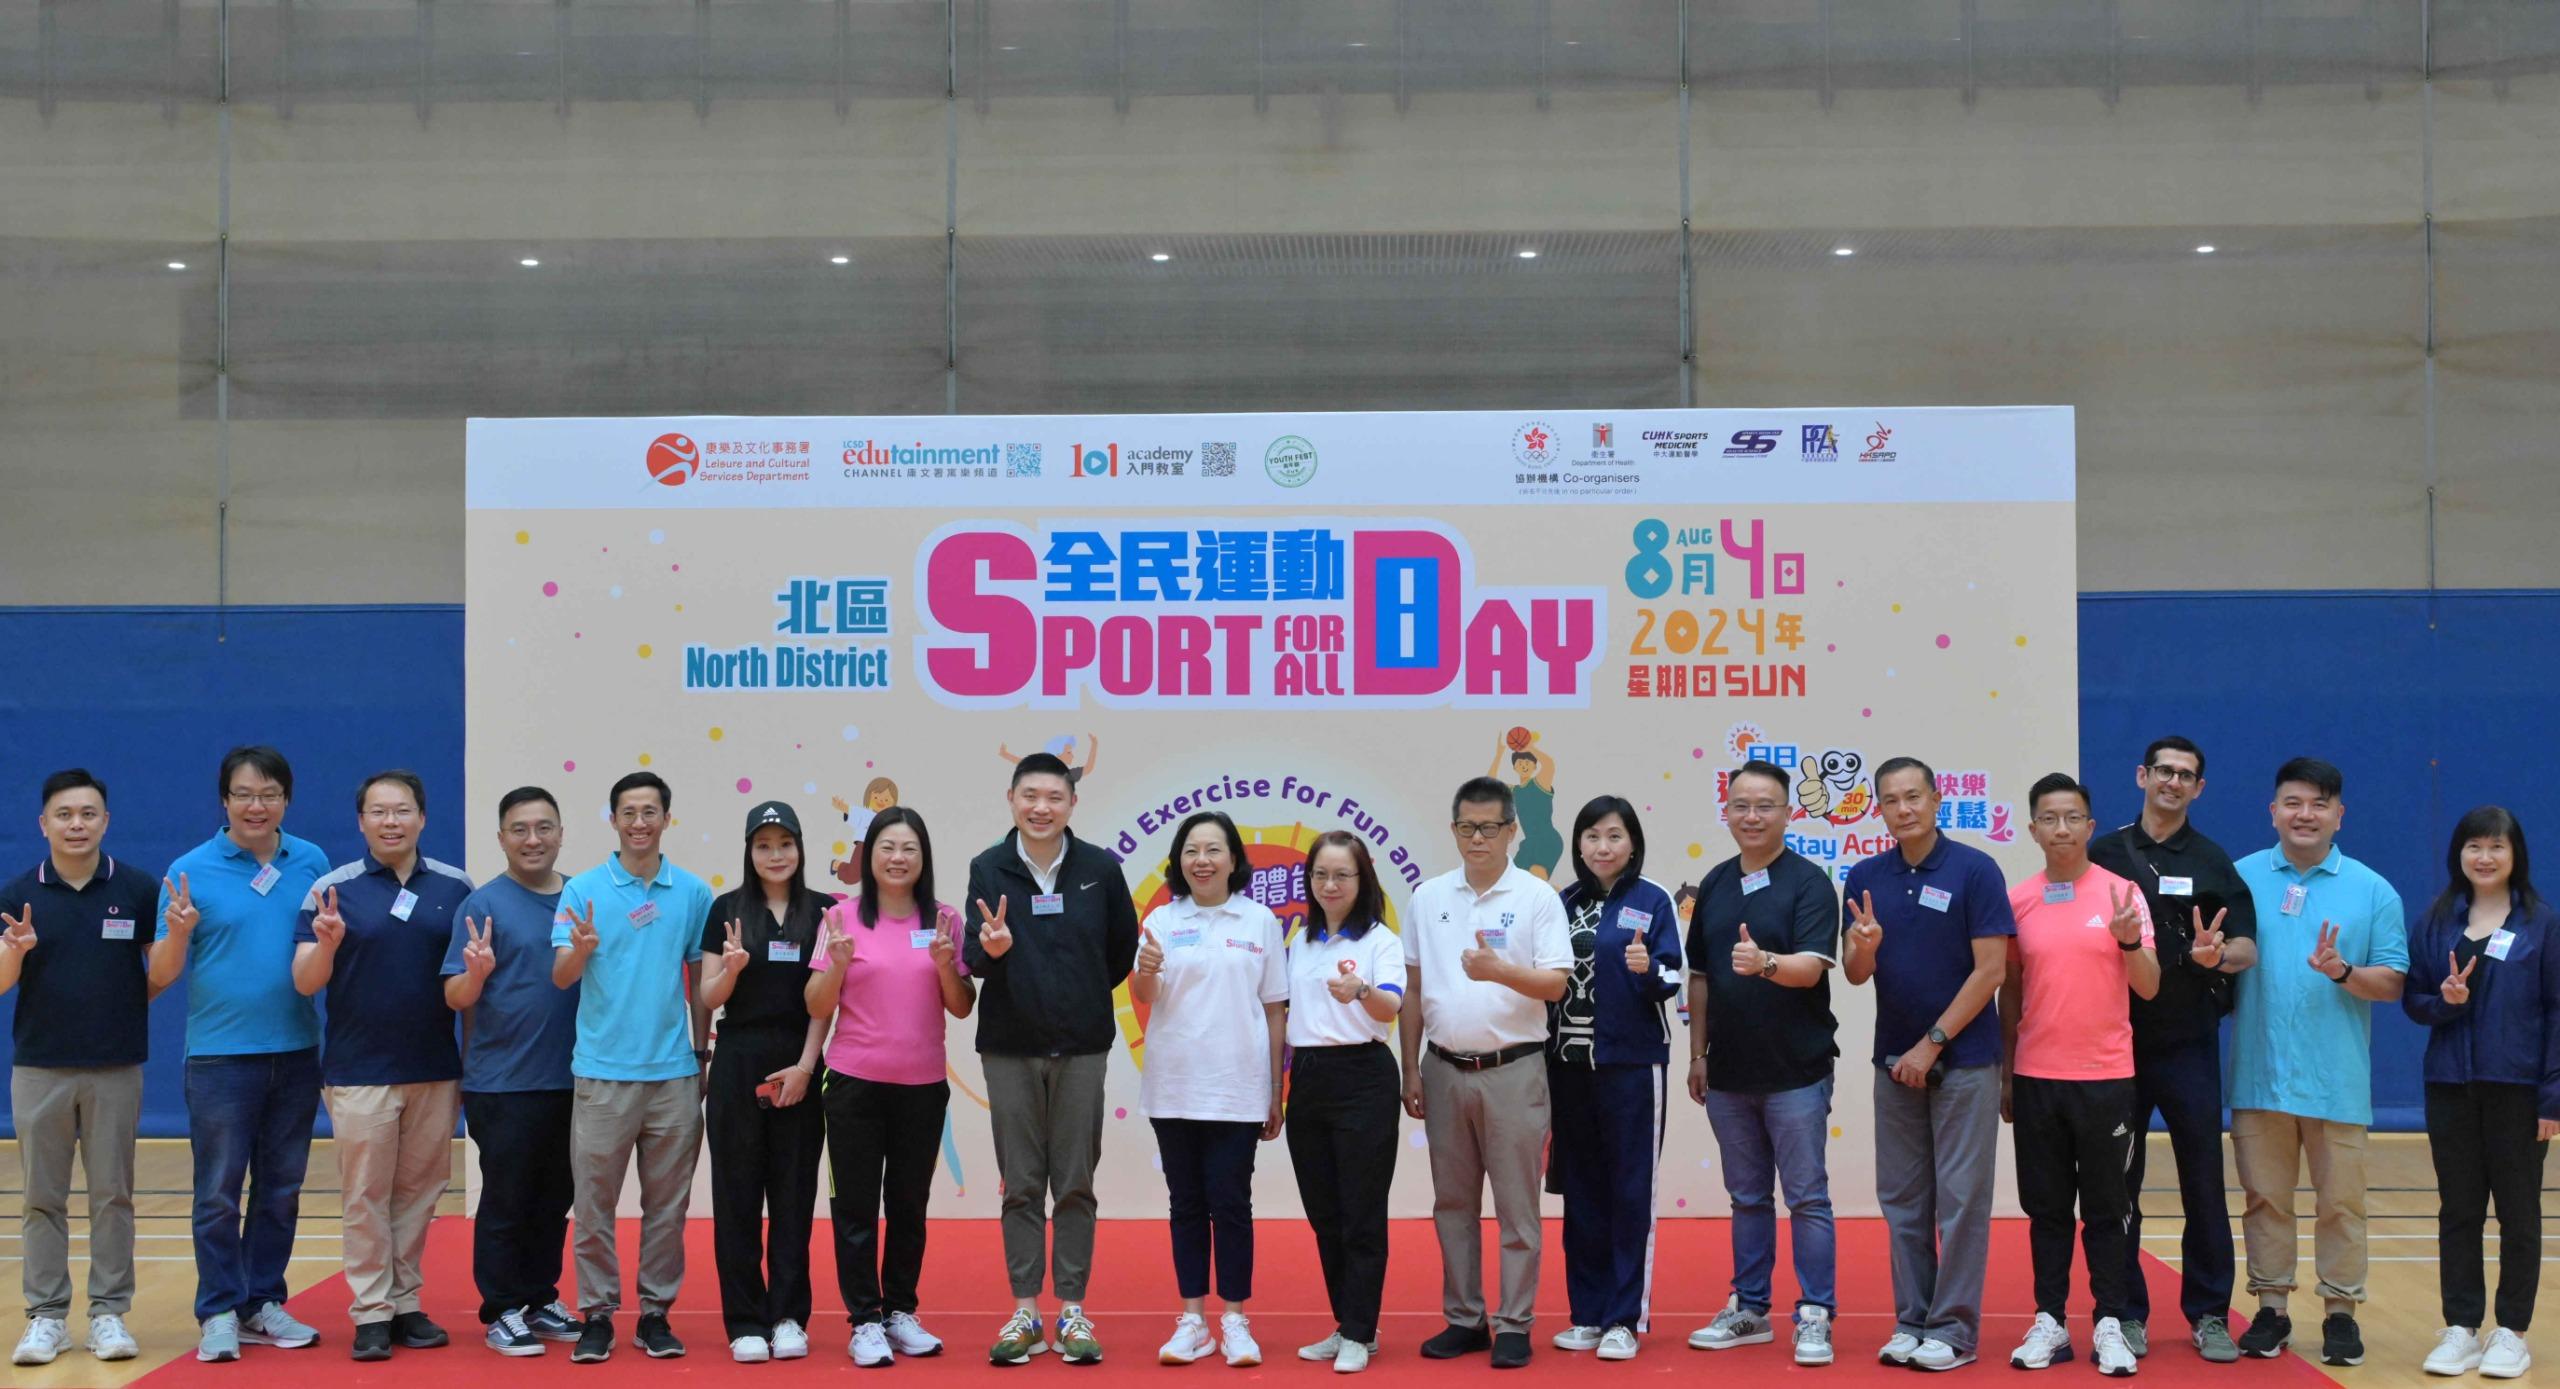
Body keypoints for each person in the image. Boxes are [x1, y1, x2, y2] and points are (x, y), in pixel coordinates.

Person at [2228, 757, 2407, 1367]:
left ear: (2339, 815)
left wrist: (2344, 971)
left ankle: (2340, 1313)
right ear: (2273, 811)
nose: (2305, 815)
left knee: (2341, 1205)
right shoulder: (2240, 877)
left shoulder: (2372, 888)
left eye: (2319, 805)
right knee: (2265, 1200)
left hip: (2337, 1081)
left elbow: (2392, 982)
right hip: (2259, 1075)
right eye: (2293, 803)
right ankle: (2272, 1310)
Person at [962, 751, 1139, 1365]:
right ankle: (1023, 1312)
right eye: (1030, 796)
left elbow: (1120, 953)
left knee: (1075, 1183)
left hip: (1083, 1048)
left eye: (1054, 798)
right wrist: (996, 949)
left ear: (1072, 804)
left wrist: (1078, 1000)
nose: (1041, 808)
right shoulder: (988, 867)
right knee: (1021, 1185)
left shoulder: (1099, 869)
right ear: (1011, 798)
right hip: (1008, 1049)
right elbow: (974, 960)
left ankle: (1072, 1311)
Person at [2086, 736, 2258, 1362]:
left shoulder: (2212, 860)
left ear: (2199, 788)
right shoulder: (2102, 854)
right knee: (2116, 1186)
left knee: (2203, 1183)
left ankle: (2210, 1313)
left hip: (2188, 1045)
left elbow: (2246, 946)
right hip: (2116, 1047)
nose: (2174, 782)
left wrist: (2219, 954)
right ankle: (2124, 1312)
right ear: (2142, 776)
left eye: (2186, 775)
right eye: (2164, 771)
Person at [291, 770, 474, 1360]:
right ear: (361, 821)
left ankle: (405, 1304)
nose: (390, 821)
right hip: (358, 1070)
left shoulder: (455, 886)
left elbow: (467, 978)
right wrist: (327, 943)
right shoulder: (330, 888)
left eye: (401, 811)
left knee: (420, 1193)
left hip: (434, 1067)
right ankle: (370, 1311)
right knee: (366, 1195)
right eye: (378, 811)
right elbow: (303, 982)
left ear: (422, 817)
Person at [156, 745, 330, 1363]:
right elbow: (157, 975)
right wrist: (177, 934)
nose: (257, 806)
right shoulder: (189, 870)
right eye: (244, 794)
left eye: (270, 794)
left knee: (282, 1189)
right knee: (218, 1194)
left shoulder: (311, 862)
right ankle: (219, 1310)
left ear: (286, 799)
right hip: (220, 1060)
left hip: (298, 1051)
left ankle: (263, 1301)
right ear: (224, 800)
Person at [1841, 756, 2014, 1372]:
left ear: (1938, 799)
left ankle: (1954, 1331)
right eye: (1891, 800)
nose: (1904, 809)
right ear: (1880, 810)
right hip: (1893, 1063)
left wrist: (1933, 1040)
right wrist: (1863, 949)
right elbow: (1857, 974)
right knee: (1903, 1198)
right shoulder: (1864, 875)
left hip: (1964, 1061)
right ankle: (1912, 1320)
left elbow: (1991, 970)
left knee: (1962, 1198)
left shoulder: (1975, 869)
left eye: (1914, 796)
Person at [1401, 775, 1571, 1370]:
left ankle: (1515, 1322)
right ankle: (1465, 1319)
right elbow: (1415, 987)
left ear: (1512, 831)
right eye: (1467, 827)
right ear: (1453, 830)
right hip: (1443, 1069)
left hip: (1514, 1070)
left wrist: (1499, 971)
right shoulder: (1428, 897)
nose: (1479, 838)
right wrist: (1411, 1069)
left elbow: (1555, 983)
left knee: (1517, 1206)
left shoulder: (1535, 898)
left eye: (1491, 827)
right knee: (1452, 1204)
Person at [1997, 774, 2159, 1377]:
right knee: (2046, 1209)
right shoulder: (2018, 901)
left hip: (2107, 1079)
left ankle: (2111, 1322)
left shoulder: (2123, 895)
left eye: (2073, 818)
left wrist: (2127, 944)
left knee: (2107, 1206)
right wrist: (2010, 1072)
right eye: (2049, 818)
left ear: (2090, 827)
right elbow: (2008, 992)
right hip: (2037, 1077)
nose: (2061, 829)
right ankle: (2050, 1320)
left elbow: (2149, 985)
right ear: (2033, 828)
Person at [1683, 759, 1843, 1366]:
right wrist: (1698, 1054)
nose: (1752, 816)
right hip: (1728, 1073)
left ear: (1788, 813)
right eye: (1741, 806)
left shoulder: (1808, 881)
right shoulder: (1717, 882)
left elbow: (1812, 969)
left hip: (1797, 1070)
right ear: (1727, 812)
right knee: (1747, 1198)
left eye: (1765, 806)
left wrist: (1766, 963)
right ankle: (1750, 1308)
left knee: (1806, 1197)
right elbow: (1699, 977)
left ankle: (1815, 1314)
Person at [550, 770, 714, 1364]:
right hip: (601, 1073)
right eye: (628, 812)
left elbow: (698, 980)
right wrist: (583, 950)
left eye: (650, 811)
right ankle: (596, 1314)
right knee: (593, 1206)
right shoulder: (583, 890)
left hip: (673, 1076)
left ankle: (654, 1314)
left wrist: (700, 1056)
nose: (639, 822)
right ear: (612, 820)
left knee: (667, 1208)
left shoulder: (692, 893)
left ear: (666, 818)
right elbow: (561, 975)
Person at [807, 805, 974, 1367]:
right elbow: (816, 1005)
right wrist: (835, 965)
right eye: (887, 848)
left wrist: (948, 965)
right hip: (853, 1082)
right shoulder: (840, 918)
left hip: (923, 1087)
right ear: (870, 856)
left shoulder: (946, 918)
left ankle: (900, 1311)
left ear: (923, 857)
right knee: (854, 1205)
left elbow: (961, 1007)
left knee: (909, 1205)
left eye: (909, 849)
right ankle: (864, 1320)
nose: (898, 858)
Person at [5, 770, 158, 1367]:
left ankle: (108, 1314)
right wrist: (14, 949)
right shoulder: (17, 892)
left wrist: (182, 932)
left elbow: (160, 971)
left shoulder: (139, 889)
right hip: (39, 1067)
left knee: (112, 1195)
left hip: (115, 1067)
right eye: (64, 814)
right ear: (44, 824)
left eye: (88, 813)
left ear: (105, 822)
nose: (77, 824)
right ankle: (45, 1318)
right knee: (41, 1197)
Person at [2403, 806, 2556, 1380]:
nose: (2484, 857)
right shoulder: (2436, 922)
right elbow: (2415, 1002)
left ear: (2515, 855)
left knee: (2519, 1214)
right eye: (2473, 847)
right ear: (2458, 855)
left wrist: (2552, 1096)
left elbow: (2558, 1011)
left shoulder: (2542, 924)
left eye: (2496, 847)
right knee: (2458, 1211)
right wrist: (2446, 1001)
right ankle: (2462, 1327)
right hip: (2450, 1087)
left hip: (2519, 1091)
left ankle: (2511, 1332)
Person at [1131, 811, 1288, 1368]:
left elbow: (1274, 1011)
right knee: (1186, 1206)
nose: (1202, 860)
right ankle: (1193, 1320)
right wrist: (1145, 968)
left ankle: (1236, 1320)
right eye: (1192, 850)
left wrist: (1276, 1088)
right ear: (1179, 860)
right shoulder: (1162, 921)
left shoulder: (1260, 921)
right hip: (1174, 1084)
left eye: (1214, 849)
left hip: (1238, 1088)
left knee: (1232, 1204)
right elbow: (1144, 993)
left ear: (1233, 860)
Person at [443, 787, 585, 1356]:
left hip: (574, 1079)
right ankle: (501, 1308)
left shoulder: (581, 895)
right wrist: (475, 975)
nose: (533, 839)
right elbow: (456, 994)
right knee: (507, 1198)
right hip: (502, 1083)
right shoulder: (482, 905)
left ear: (560, 832)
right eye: (520, 829)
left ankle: (538, 1296)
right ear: (502, 838)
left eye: (544, 827)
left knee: (555, 1197)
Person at [1545, 796, 1682, 1361]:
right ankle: (1587, 1314)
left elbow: (1676, 972)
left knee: (1629, 1192)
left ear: (1633, 844)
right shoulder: (1561, 901)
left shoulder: (1652, 900)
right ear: (1578, 844)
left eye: (1615, 836)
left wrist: (1651, 972)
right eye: (1593, 836)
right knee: (1580, 1192)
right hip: (1567, 1067)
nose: (1603, 847)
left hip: (1631, 1065)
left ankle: (1625, 1317)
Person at [694, 801, 830, 1364]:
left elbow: (827, 1001)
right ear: (749, 853)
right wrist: (730, 970)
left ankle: (789, 1316)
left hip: (800, 1059)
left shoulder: (825, 911)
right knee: (738, 1195)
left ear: (800, 848)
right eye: (764, 846)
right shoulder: (726, 910)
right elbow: (706, 998)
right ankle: (745, 1320)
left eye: (785, 844)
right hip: (739, 1060)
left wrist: (805, 1067)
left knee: (795, 1195)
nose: (776, 855)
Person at [1283, 831, 1406, 1375]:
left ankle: (1361, 1330)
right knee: (1324, 1213)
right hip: (1307, 1078)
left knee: (1361, 1212)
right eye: (1321, 875)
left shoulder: (1379, 940)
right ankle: (1347, 1323)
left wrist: (1360, 992)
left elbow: (1389, 1010)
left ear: (1363, 881)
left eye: (1342, 875)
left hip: (1364, 1077)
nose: (1330, 885)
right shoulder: (1300, 941)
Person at [1490, 731, 1562, 881]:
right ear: (1514, 767)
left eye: (1528, 762)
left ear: (1535, 766)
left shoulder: (1540, 782)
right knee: (1514, 884)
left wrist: (1530, 747)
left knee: (1537, 885)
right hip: (1529, 843)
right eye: (1520, 762)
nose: (1523, 765)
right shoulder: (1514, 791)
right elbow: (1489, 782)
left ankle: (1565, 902)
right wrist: (1499, 754)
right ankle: (1563, 898)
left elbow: (1549, 764)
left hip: (1547, 839)